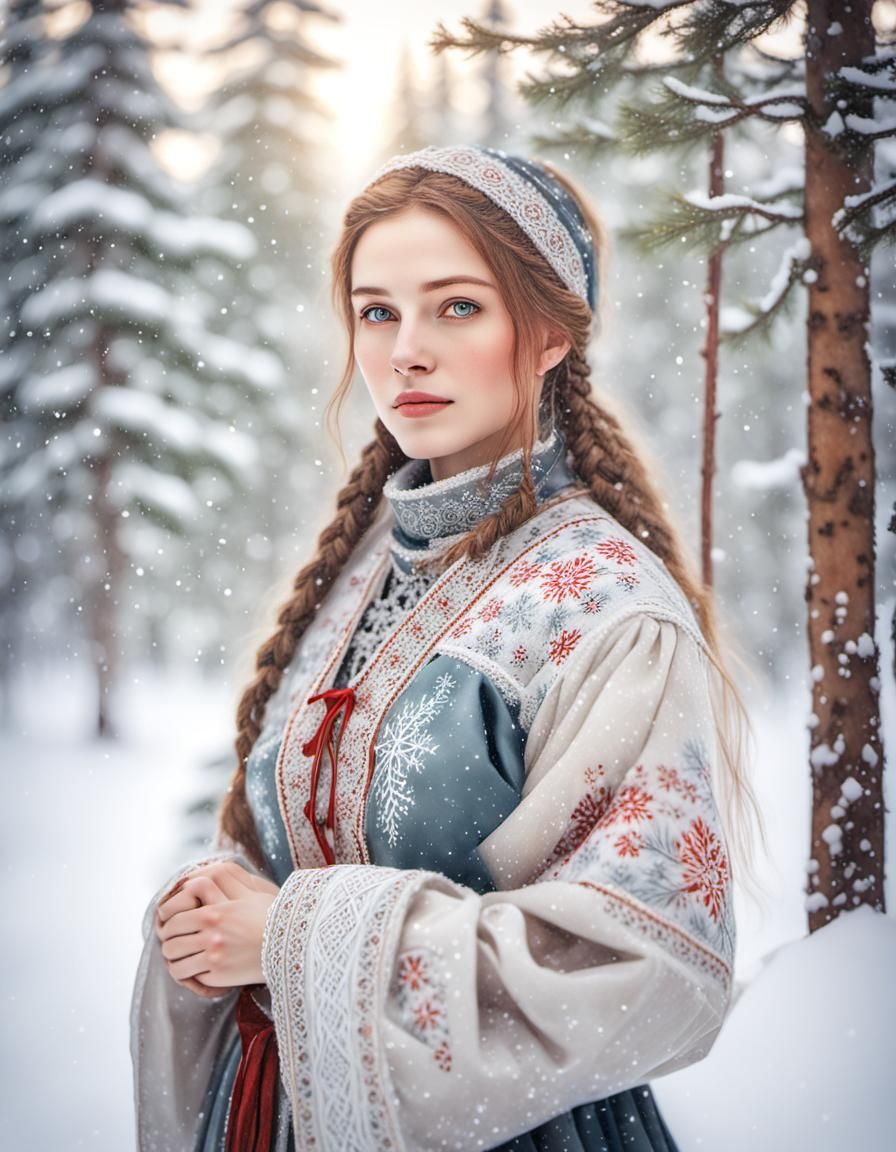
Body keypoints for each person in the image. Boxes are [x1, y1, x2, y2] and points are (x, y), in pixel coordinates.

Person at [130, 143, 763, 1152]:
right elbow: (294, 841)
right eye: (377, 310)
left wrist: (292, 939)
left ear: (548, 330)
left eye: (455, 306)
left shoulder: (606, 611)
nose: (404, 350)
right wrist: (215, 908)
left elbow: (651, 968)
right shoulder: (361, 565)